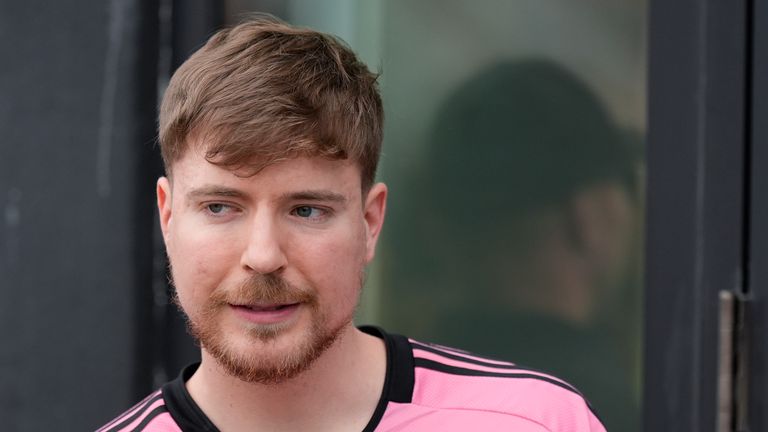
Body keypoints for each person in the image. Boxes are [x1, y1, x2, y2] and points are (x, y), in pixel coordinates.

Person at [98, 16, 606, 432]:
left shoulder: (532, 422)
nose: (264, 255)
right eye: (220, 207)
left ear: (369, 222)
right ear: (167, 217)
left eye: (306, 210)